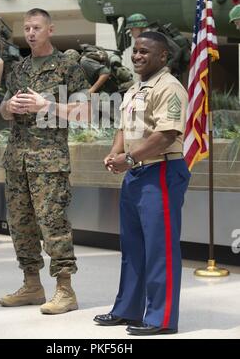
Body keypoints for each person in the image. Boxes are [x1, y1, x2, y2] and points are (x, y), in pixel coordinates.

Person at [93, 31, 190, 336]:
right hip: (136, 173)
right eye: (135, 51)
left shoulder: (169, 88)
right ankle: (128, 309)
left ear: (163, 56)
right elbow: (125, 126)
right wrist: (114, 152)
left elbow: (166, 135)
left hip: (161, 171)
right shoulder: (135, 88)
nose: (137, 56)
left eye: (145, 52)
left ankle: (161, 318)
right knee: (132, 247)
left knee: (160, 248)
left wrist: (130, 159)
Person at [0, 8, 90, 314]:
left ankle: (65, 290)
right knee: (20, 225)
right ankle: (32, 285)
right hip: (17, 159)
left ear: (50, 30)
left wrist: (46, 104)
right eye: (26, 28)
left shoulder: (68, 67)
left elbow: (83, 113)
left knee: (53, 224)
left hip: (49, 161)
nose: (30, 33)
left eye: (37, 27)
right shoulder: (18, 68)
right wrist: (8, 106)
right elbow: (1, 110)